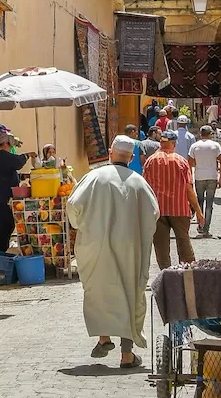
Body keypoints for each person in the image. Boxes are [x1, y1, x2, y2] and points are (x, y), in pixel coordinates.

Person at [66, 135, 159, 369]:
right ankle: (127, 354)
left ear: (110, 152)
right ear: (132, 157)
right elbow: (153, 213)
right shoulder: (139, 182)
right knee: (129, 292)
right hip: (130, 247)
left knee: (99, 290)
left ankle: (104, 338)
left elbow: (73, 205)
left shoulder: (93, 177)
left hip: (96, 244)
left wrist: (81, 224)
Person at [144, 130, 204, 268]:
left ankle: (166, 275)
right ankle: (188, 274)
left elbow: (145, 188)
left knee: (161, 246)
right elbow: (189, 189)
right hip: (180, 209)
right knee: (184, 242)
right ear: (173, 143)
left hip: (158, 210)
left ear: (161, 142)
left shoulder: (150, 161)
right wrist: (198, 212)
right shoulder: (181, 161)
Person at [0, 128, 36, 253]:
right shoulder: (1, 155)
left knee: (0, 228)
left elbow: (6, 174)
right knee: (2, 228)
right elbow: (17, 162)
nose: (10, 148)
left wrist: (23, 177)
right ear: (5, 144)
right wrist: (28, 155)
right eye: (10, 145)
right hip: (2, 199)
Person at [188, 125, 221, 236]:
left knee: (199, 202)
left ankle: (201, 225)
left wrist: (190, 178)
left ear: (200, 134)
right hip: (212, 176)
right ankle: (206, 227)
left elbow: (190, 163)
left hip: (199, 176)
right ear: (210, 134)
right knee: (209, 204)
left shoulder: (194, 146)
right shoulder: (216, 145)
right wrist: (220, 177)